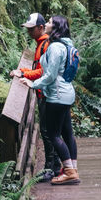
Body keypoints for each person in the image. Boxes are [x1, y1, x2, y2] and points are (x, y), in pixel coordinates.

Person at [20, 14, 79, 186]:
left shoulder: (54, 48)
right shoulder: (68, 45)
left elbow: (50, 75)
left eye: (50, 22)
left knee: (53, 134)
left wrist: (33, 84)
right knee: (67, 132)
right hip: (67, 92)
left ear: (56, 27)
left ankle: (69, 172)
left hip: (57, 95)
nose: (46, 24)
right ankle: (72, 168)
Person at [10, 11, 61, 182]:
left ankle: (51, 168)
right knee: (49, 131)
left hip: (47, 93)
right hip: (44, 92)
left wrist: (24, 73)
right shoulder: (41, 44)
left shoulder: (46, 45)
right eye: (28, 29)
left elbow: (45, 72)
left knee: (48, 132)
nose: (29, 32)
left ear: (41, 28)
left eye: (32, 29)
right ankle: (54, 166)